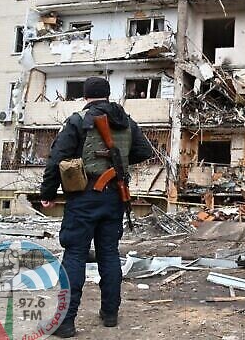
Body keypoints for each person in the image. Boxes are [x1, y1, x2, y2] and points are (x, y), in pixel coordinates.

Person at [40, 77, 153, 338]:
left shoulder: (79, 120)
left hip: (83, 196)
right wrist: (118, 161)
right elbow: (144, 151)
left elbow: (56, 158)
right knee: (109, 255)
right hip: (114, 196)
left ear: (85, 96)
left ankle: (66, 322)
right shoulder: (126, 121)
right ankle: (110, 314)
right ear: (108, 94)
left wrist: (47, 193)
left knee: (75, 255)